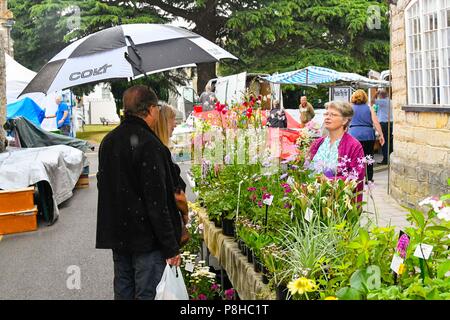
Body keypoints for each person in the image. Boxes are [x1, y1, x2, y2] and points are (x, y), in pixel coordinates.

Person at [96, 85, 181, 300]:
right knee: (148, 294)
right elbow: (157, 202)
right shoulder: (150, 144)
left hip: (119, 236)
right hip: (147, 239)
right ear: (151, 109)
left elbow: (103, 186)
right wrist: (171, 247)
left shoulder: (108, 142)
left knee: (124, 293)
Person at [309, 101, 365, 203]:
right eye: (326, 114)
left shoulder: (354, 145)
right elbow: (306, 168)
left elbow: (357, 176)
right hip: (314, 200)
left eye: (333, 115)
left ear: (344, 120)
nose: (327, 117)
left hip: (339, 203)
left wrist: (329, 181)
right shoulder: (317, 143)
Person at [154, 103, 189, 226]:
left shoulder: (160, 148)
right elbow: (176, 194)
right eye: (172, 119)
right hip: (166, 220)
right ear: (164, 122)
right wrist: (185, 212)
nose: (175, 124)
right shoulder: (160, 151)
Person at [348, 89, 385, 183]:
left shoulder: (350, 108)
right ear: (365, 97)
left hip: (354, 134)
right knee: (369, 156)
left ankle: (356, 177)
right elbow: (376, 122)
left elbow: (346, 122)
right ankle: (369, 178)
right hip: (368, 134)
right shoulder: (369, 108)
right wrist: (381, 135)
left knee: (355, 157)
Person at [375, 89, 393, 165]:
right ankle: (389, 158)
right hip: (390, 123)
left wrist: (376, 94)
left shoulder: (382, 101)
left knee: (383, 141)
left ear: (381, 95)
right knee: (389, 141)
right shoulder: (390, 101)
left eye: (379, 95)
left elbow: (372, 101)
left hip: (383, 124)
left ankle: (385, 159)